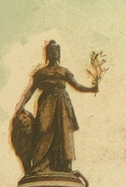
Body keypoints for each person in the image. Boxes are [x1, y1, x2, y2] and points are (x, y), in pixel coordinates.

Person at [11, 40, 98, 175]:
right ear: (47, 54)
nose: (53, 53)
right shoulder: (41, 73)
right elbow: (30, 91)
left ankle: (63, 165)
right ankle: (40, 164)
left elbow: (77, 86)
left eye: (56, 51)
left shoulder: (64, 71)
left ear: (59, 53)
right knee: (43, 129)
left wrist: (92, 89)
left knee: (62, 132)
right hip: (46, 102)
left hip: (62, 104)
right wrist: (21, 105)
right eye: (50, 51)